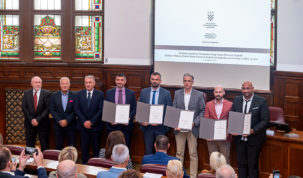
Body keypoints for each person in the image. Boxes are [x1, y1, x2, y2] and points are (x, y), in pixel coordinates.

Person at [231, 81, 269, 178]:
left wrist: (252, 130)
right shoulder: (237, 100)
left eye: (248, 88)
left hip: (254, 139)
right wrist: (233, 129)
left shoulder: (261, 101)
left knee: (253, 165)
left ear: (252, 89)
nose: (246, 90)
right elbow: (233, 116)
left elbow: (265, 121)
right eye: (244, 88)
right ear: (241, 90)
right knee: (241, 164)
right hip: (240, 139)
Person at [173, 73, 205, 178]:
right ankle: (178, 175)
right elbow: (174, 110)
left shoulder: (199, 94)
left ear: (192, 82)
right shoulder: (177, 93)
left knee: (193, 154)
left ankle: (193, 176)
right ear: (183, 82)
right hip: (180, 128)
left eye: (189, 81)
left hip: (192, 128)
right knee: (179, 153)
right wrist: (175, 124)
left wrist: (195, 122)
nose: (187, 83)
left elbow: (202, 110)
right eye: (185, 81)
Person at [139, 72, 172, 155]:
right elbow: (140, 109)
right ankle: (148, 167)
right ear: (150, 80)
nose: (154, 81)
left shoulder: (166, 93)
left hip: (160, 127)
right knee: (148, 150)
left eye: (156, 79)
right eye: (153, 79)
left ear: (160, 81)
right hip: (147, 127)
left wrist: (161, 122)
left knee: (161, 152)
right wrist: (142, 121)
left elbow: (169, 110)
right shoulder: (144, 92)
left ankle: (158, 168)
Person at [74, 75, 104, 164]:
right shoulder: (79, 94)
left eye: (90, 82)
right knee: (84, 148)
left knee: (96, 148)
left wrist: (91, 122)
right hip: (83, 126)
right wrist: (84, 121)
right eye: (86, 82)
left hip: (95, 126)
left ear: (94, 83)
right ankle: (84, 165)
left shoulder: (100, 94)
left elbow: (101, 110)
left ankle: (95, 165)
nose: (88, 84)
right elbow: (77, 109)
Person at [105, 73, 137, 147]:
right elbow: (106, 108)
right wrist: (110, 119)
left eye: (122, 80)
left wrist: (129, 117)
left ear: (125, 81)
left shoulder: (131, 93)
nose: (120, 82)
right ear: (115, 81)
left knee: (125, 146)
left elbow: (134, 108)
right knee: (112, 147)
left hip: (126, 125)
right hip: (112, 125)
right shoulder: (109, 93)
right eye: (118, 80)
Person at [204, 85, 233, 164]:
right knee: (213, 160)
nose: (218, 94)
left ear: (223, 93)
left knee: (225, 159)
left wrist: (228, 131)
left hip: (225, 137)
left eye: (220, 92)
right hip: (211, 138)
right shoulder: (208, 104)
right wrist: (207, 134)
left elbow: (232, 120)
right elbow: (206, 119)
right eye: (216, 92)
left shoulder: (230, 104)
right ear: (213, 93)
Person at [22, 76, 51, 151]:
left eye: (39, 82)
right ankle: (30, 161)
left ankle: (44, 161)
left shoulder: (47, 93)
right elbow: (24, 108)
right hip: (29, 124)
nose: (38, 84)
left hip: (43, 123)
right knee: (30, 146)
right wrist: (31, 119)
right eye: (36, 82)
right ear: (31, 84)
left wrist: (38, 120)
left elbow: (47, 109)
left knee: (44, 145)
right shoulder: (26, 93)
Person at [50, 77, 76, 150]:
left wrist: (67, 120)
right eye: (63, 83)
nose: (65, 85)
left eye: (66, 83)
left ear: (69, 85)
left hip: (70, 125)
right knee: (58, 146)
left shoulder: (74, 95)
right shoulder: (54, 96)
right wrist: (60, 120)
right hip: (58, 125)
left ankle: (71, 161)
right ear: (60, 85)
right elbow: (52, 110)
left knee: (71, 147)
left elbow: (75, 110)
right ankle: (59, 161)